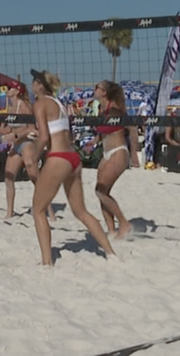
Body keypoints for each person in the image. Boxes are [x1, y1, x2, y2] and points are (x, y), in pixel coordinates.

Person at [28, 70, 116, 266]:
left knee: (38, 210)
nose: (31, 84)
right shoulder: (60, 103)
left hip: (58, 158)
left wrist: (32, 158)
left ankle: (46, 262)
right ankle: (111, 254)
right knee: (81, 212)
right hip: (73, 158)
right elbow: (68, 136)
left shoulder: (40, 103)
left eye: (34, 81)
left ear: (40, 85)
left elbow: (43, 137)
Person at [91, 81, 139, 239]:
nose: (94, 89)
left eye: (97, 87)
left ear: (104, 92)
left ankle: (124, 223)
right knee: (101, 192)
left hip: (119, 151)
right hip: (106, 151)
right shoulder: (100, 109)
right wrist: (94, 141)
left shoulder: (114, 108)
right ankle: (111, 230)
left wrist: (134, 154)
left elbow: (132, 129)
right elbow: (102, 131)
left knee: (101, 190)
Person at [0, 79, 49, 221]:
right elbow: (10, 128)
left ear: (17, 91)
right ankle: (10, 212)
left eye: (9, 88)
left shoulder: (24, 106)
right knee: (8, 178)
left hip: (27, 142)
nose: (7, 90)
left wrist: (14, 135)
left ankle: (48, 210)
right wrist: (0, 131)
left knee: (35, 178)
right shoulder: (11, 107)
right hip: (17, 144)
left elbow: (32, 129)